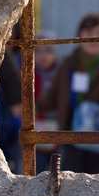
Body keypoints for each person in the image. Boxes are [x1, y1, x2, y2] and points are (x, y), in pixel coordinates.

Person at [44, 13, 99, 174]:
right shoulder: (68, 63)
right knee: (69, 185)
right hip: (70, 136)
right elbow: (51, 97)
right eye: (88, 33)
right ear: (79, 36)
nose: (94, 38)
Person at [34, 33, 60, 173]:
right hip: (34, 129)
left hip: (58, 131)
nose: (43, 55)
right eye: (38, 51)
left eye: (49, 50)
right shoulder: (25, 72)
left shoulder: (62, 73)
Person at [0, 46, 23, 173]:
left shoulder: (2, 49)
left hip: (5, 116)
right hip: (1, 114)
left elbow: (10, 76)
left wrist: (16, 102)